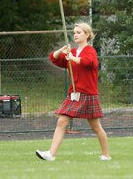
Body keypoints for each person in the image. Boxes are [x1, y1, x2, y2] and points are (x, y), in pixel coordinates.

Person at [36, 22, 110, 161]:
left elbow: (89, 63)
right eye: (74, 32)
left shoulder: (90, 51)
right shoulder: (72, 52)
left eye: (79, 32)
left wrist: (73, 58)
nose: (75, 34)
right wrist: (62, 50)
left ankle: (106, 155)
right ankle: (51, 154)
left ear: (87, 35)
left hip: (88, 94)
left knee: (96, 127)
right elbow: (54, 59)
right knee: (61, 121)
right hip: (74, 94)